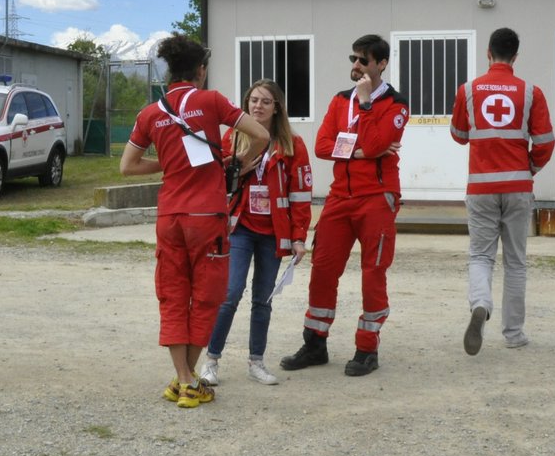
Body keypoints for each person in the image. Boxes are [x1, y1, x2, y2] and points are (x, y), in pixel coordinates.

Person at [121, 35, 270, 408]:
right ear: (200, 70)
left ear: (171, 70)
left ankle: (183, 379)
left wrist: (169, 164)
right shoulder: (211, 100)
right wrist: (237, 162)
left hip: (170, 215)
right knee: (206, 297)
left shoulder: (151, 111)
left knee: (172, 294)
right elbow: (262, 135)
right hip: (207, 215)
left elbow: (128, 166)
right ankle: (188, 382)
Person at [278, 34, 409, 377]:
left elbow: (379, 141)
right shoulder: (339, 101)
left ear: (381, 64)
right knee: (322, 267)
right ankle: (315, 343)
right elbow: (322, 145)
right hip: (340, 197)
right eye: (353, 59)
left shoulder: (396, 104)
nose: (355, 66)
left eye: (363, 61)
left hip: (377, 197)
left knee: (372, 272)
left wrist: (366, 106)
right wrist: (362, 151)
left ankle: (367, 348)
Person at [198, 80, 313, 387]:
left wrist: (300, 237)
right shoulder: (232, 138)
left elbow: (301, 193)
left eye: (265, 101)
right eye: (253, 101)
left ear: (277, 108)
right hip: (239, 228)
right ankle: (211, 361)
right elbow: (214, 182)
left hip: (274, 233)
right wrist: (235, 168)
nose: (258, 106)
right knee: (230, 293)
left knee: (263, 300)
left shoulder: (292, 144)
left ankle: (256, 362)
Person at [450, 27, 555, 356]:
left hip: (481, 186)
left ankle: (480, 304)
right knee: (516, 262)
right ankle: (514, 333)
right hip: (518, 187)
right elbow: (545, 142)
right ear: (515, 57)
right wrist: (530, 168)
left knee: (481, 256)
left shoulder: (468, 89)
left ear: (488, 53)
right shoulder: (530, 92)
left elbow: (458, 133)